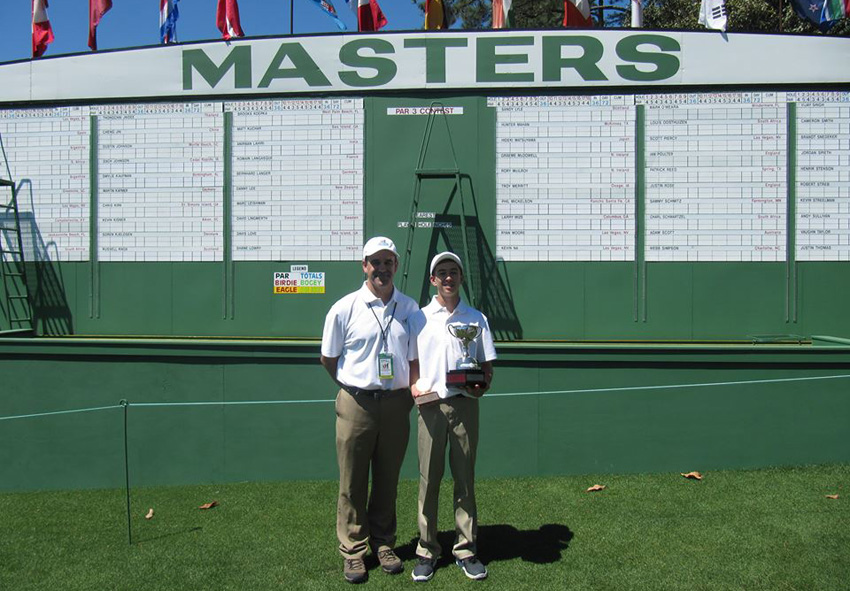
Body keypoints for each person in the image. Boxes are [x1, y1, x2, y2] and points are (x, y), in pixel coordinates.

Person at [320, 236, 419, 584]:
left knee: (388, 480)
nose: (382, 268)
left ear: (395, 265)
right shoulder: (344, 308)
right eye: (375, 262)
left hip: (396, 405)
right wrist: (355, 387)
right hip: (356, 403)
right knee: (352, 481)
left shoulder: (409, 309)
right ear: (364, 266)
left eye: (388, 261)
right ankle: (353, 550)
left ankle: (384, 543)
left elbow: (417, 357)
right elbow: (329, 359)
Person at [408, 251, 497, 582]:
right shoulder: (418, 318)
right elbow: (412, 364)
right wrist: (415, 387)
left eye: (453, 272)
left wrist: (481, 386)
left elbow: (486, 367)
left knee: (465, 479)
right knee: (428, 480)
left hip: (464, 405)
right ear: (433, 280)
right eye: (441, 272)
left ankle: (466, 548)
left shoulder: (476, 318)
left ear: (460, 278)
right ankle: (427, 550)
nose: (448, 277)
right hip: (430, 407)